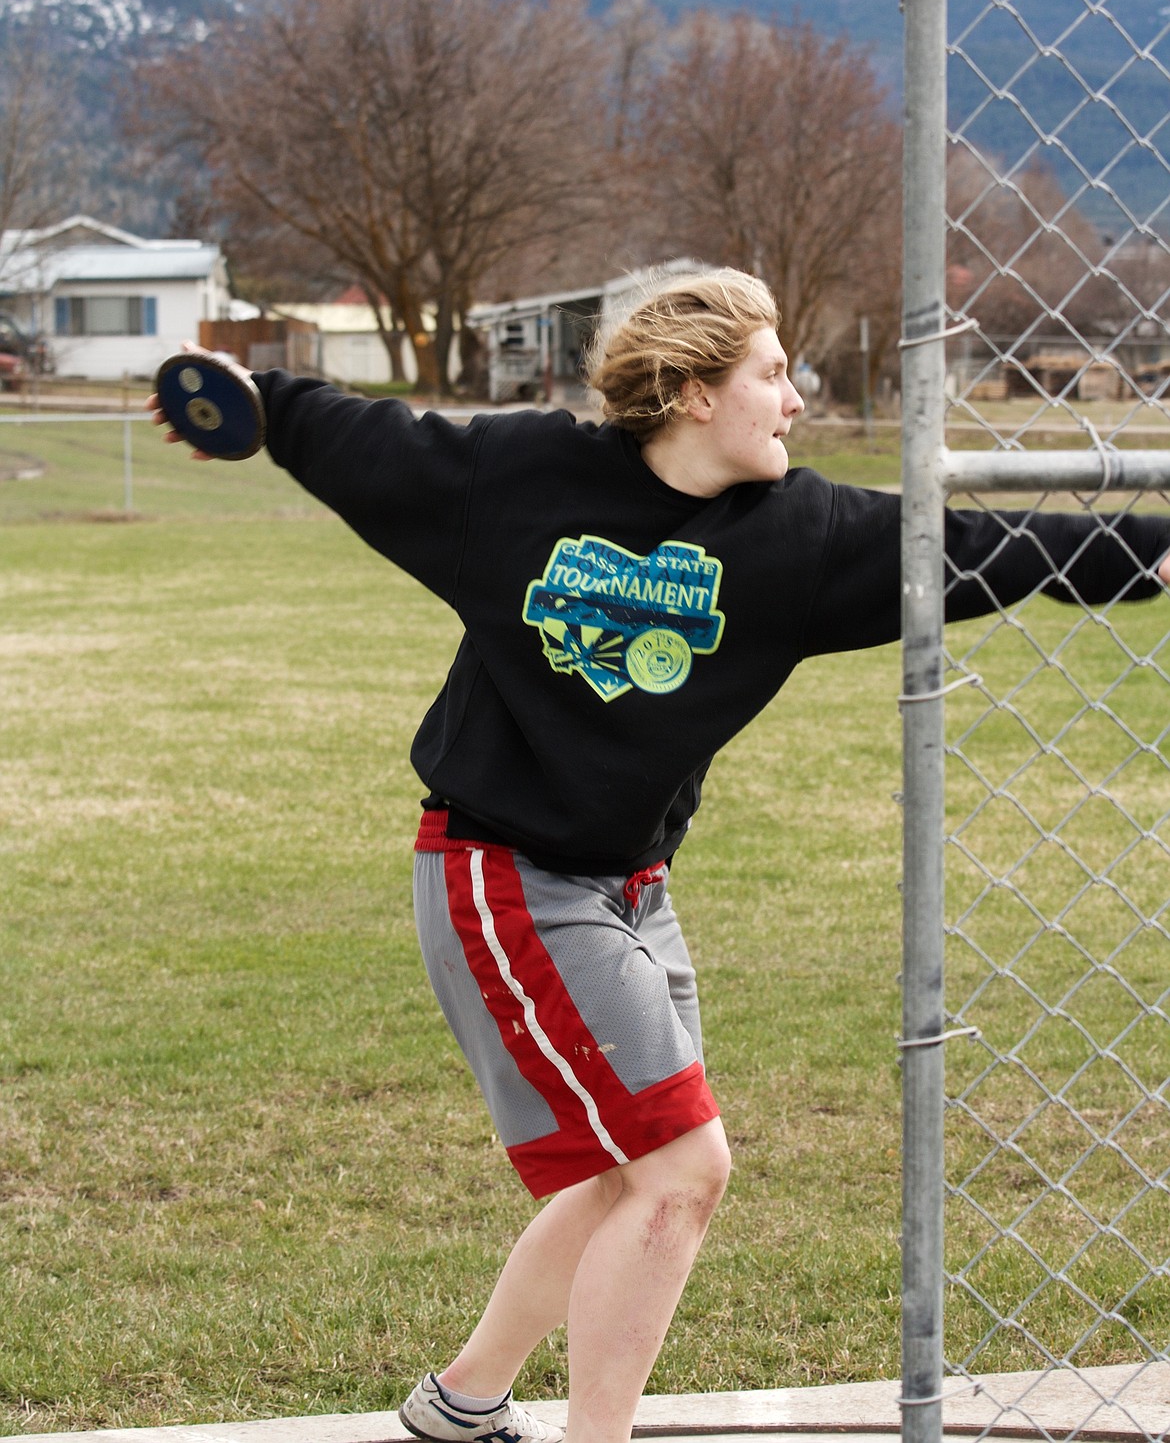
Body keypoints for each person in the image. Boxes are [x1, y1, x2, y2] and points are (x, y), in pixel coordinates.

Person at [153, 269, 1170, 1443]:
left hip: (632, 885)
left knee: (621, 1174)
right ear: (693, 393)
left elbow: (991, 544)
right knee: (684, 1170)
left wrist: (1151, 554)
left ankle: (463, 1401)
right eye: (774, 374)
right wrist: (249, 399)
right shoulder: (521, 480)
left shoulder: (802, 540)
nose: (797, 398)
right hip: (503, 869)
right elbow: (368, 437)